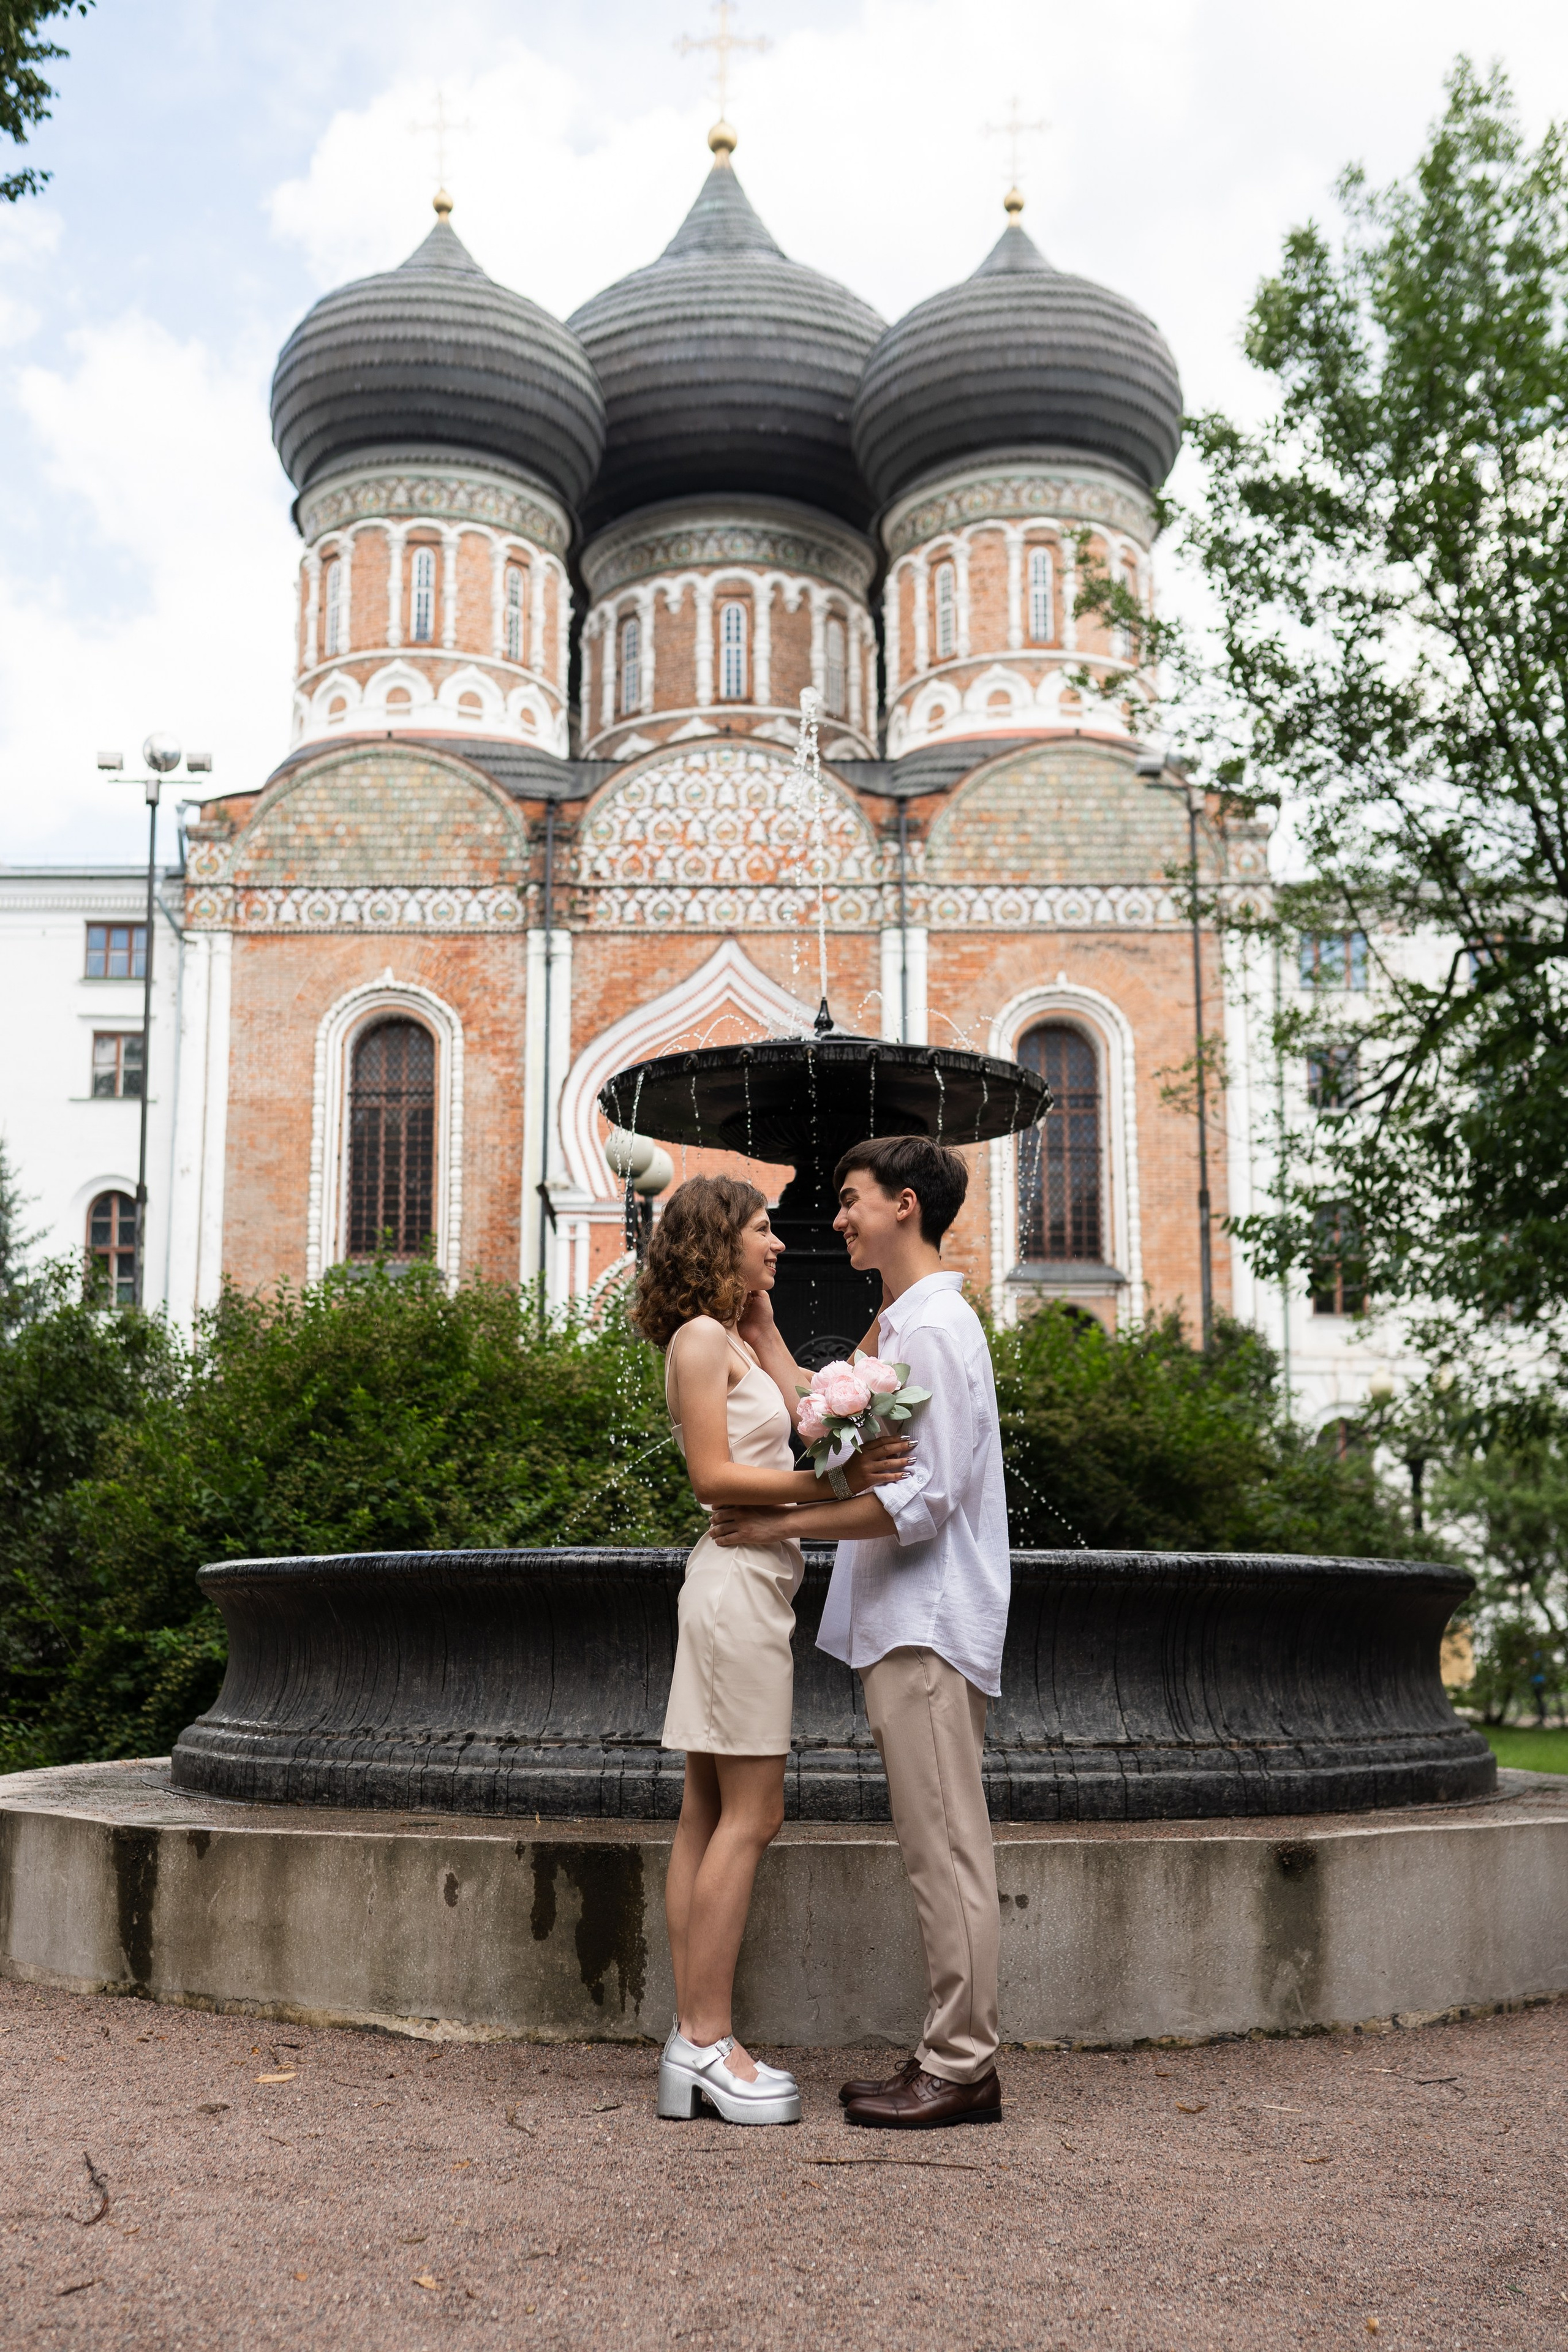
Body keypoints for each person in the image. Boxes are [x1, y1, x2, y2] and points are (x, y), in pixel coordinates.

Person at [711, 1134, 1008, 2130]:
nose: (835, 1218)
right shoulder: (898, 1325)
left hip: (928, 1622)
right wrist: (761, 1333)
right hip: (900, 1623)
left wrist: (780, 1522)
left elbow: (921, 1502)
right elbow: (830, 1434)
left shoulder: (938, 1331)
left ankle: (962, 2065)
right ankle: (949, 2054)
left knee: (947, 1850)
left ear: (906, 1206)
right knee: (934, 1848)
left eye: (851, 1200)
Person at [631, 1173, 914, 2127]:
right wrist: (816, 1488)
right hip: (735, 1590)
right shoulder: (699, 1340)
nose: (781, 1243)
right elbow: (715, 1474)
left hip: (750, 1587)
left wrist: (782, 1327)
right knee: (754, 1813)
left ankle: (691, 2040)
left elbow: (809, 1417)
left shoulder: (735, 1334)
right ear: (719, 1240)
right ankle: (708, 2041)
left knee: (707, 1815)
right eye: (762, 1231)